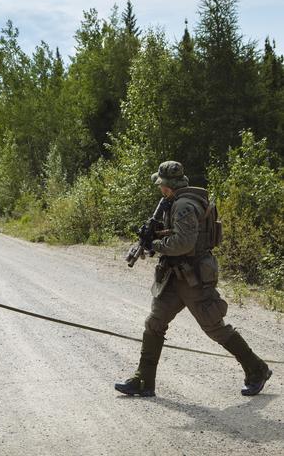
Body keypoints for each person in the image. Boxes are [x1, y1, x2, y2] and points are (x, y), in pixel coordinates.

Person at [115, 161, 272, 397]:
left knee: (215, 328)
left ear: (167, 186)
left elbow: (183, 244)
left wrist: (154, 244)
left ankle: (257, 369)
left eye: (160, 184)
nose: (159, 189)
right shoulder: (175, 202)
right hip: (173, 277)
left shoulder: (185, 206)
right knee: (154, 324)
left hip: (193, 278)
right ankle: (143, 381)